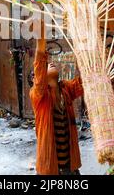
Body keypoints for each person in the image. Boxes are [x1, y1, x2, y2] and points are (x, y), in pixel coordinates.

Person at [29, 18, 84, 175]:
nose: (50, 64)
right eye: (47, 65)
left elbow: (85, 81)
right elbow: (39, 74)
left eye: (51, 63)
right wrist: (41, 39)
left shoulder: (66, 89)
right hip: (50, 167)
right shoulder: (39, 96)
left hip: (70, 166)